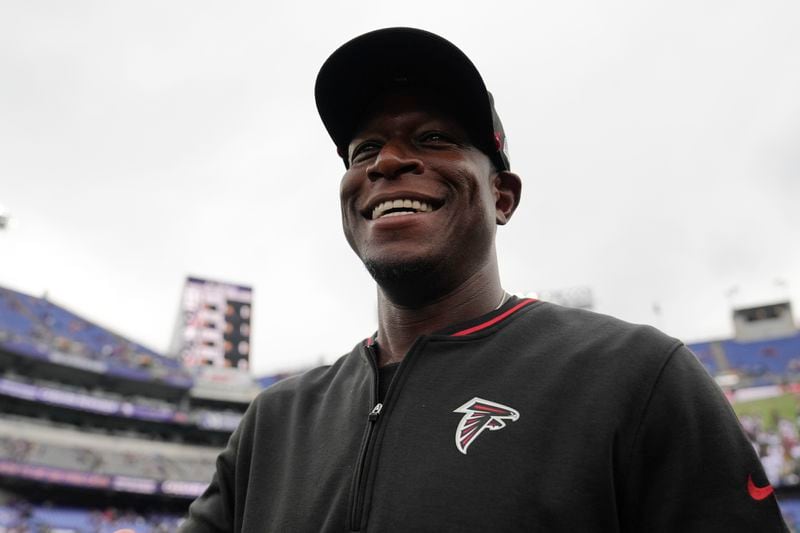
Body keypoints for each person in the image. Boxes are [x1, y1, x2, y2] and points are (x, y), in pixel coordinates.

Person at [178, 27, 788, 532]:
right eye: (364, 150)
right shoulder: (275, 423)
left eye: (434, 138)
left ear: (503, 195)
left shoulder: (635, 375)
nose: (387, 162)